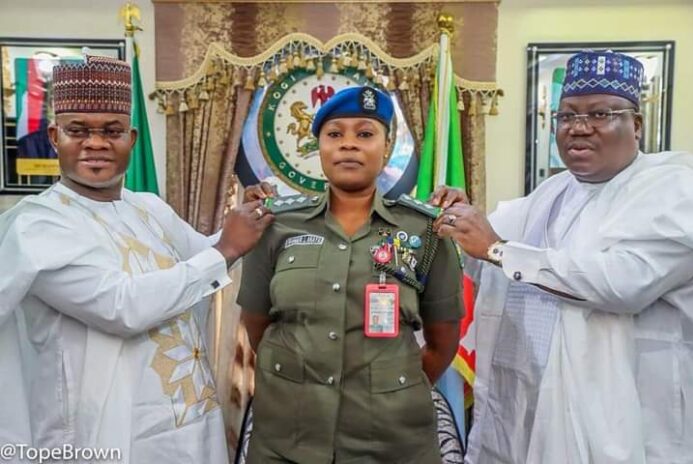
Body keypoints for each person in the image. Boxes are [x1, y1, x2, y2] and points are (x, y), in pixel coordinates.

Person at [0, 55, 273, 463]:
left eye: (111, 131)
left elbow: (202, 257)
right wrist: (226, 247)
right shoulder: (37, 226)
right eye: (78, 131)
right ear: (55, 137)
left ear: (132, 138)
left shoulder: (146, 207)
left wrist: (245, 221)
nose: (96, 143)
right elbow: (122, 306)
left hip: (187, 418)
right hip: (101, 431)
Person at [435, 50, 693, 463]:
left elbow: (622, 283)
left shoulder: (675, 189)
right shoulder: (554, 192)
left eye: (599, 114)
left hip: (631, 418)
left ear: (637, 124)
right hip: (535, 405)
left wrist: (496, 248)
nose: (579, 128)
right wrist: (455, 222)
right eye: (567, 116)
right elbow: (489, 263)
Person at [237, 86, 465, 463]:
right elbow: (257, 325)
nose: (348, 145)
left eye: (364, 134)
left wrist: (387, 387)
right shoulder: (276, 224)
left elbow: (443, 343)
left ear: (386, 146)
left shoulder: (424, 229)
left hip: (394, 442)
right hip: (287, 439)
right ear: (320, 147)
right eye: (334, 134)